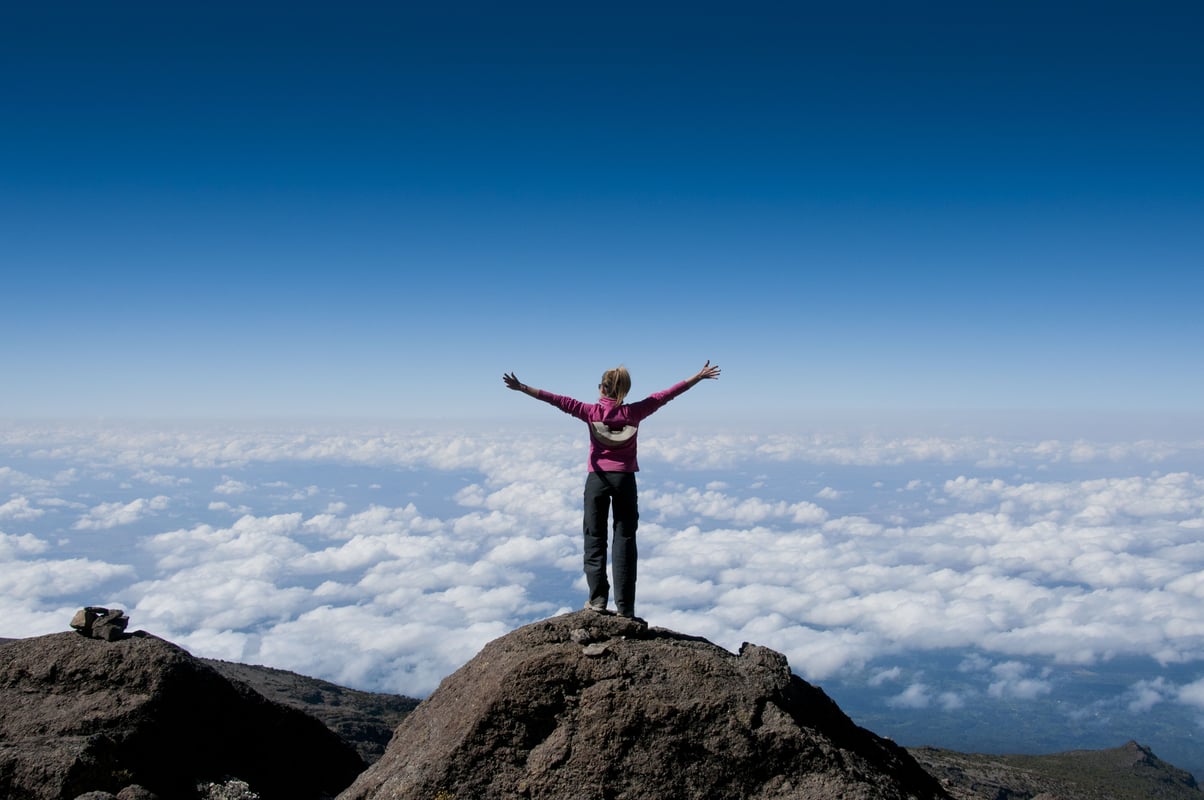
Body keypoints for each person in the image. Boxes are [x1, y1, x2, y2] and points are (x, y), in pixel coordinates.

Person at [502, 361, 721, 619]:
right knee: (625, 540)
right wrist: (697, 377)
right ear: (622, 390)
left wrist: (522, 387)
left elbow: (556, 400)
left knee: (594, 538)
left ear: (603, 389)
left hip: (597, 480)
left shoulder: (590, 411)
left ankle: (597, 601)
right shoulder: (635, 412)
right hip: (625, 481)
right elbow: (666, 395)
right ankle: (625, 608)